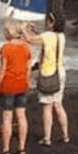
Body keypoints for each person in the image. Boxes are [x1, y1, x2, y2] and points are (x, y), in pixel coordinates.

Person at [24, 15, 70, 146]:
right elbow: (45, 39)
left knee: (47, 107)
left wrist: (24, 28)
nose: (46, 23)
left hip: (48, 73)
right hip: (60, 71)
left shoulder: (47, 36)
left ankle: (47, 138)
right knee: (58, 105)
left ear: (52, 23)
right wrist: (33, 31)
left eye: (48, 21)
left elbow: (30, 40)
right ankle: (65, 135)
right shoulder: (61, 36)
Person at [0, 22, 32, 154]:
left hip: (8, 84)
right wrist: (28, 82)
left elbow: (2, 69)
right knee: (21, 115)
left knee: (7, 116)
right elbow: (28, 68)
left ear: (9, 33)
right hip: (22, 83)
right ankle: (21, 147)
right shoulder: (26, 47)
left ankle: (6, 148)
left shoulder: (6, 48)